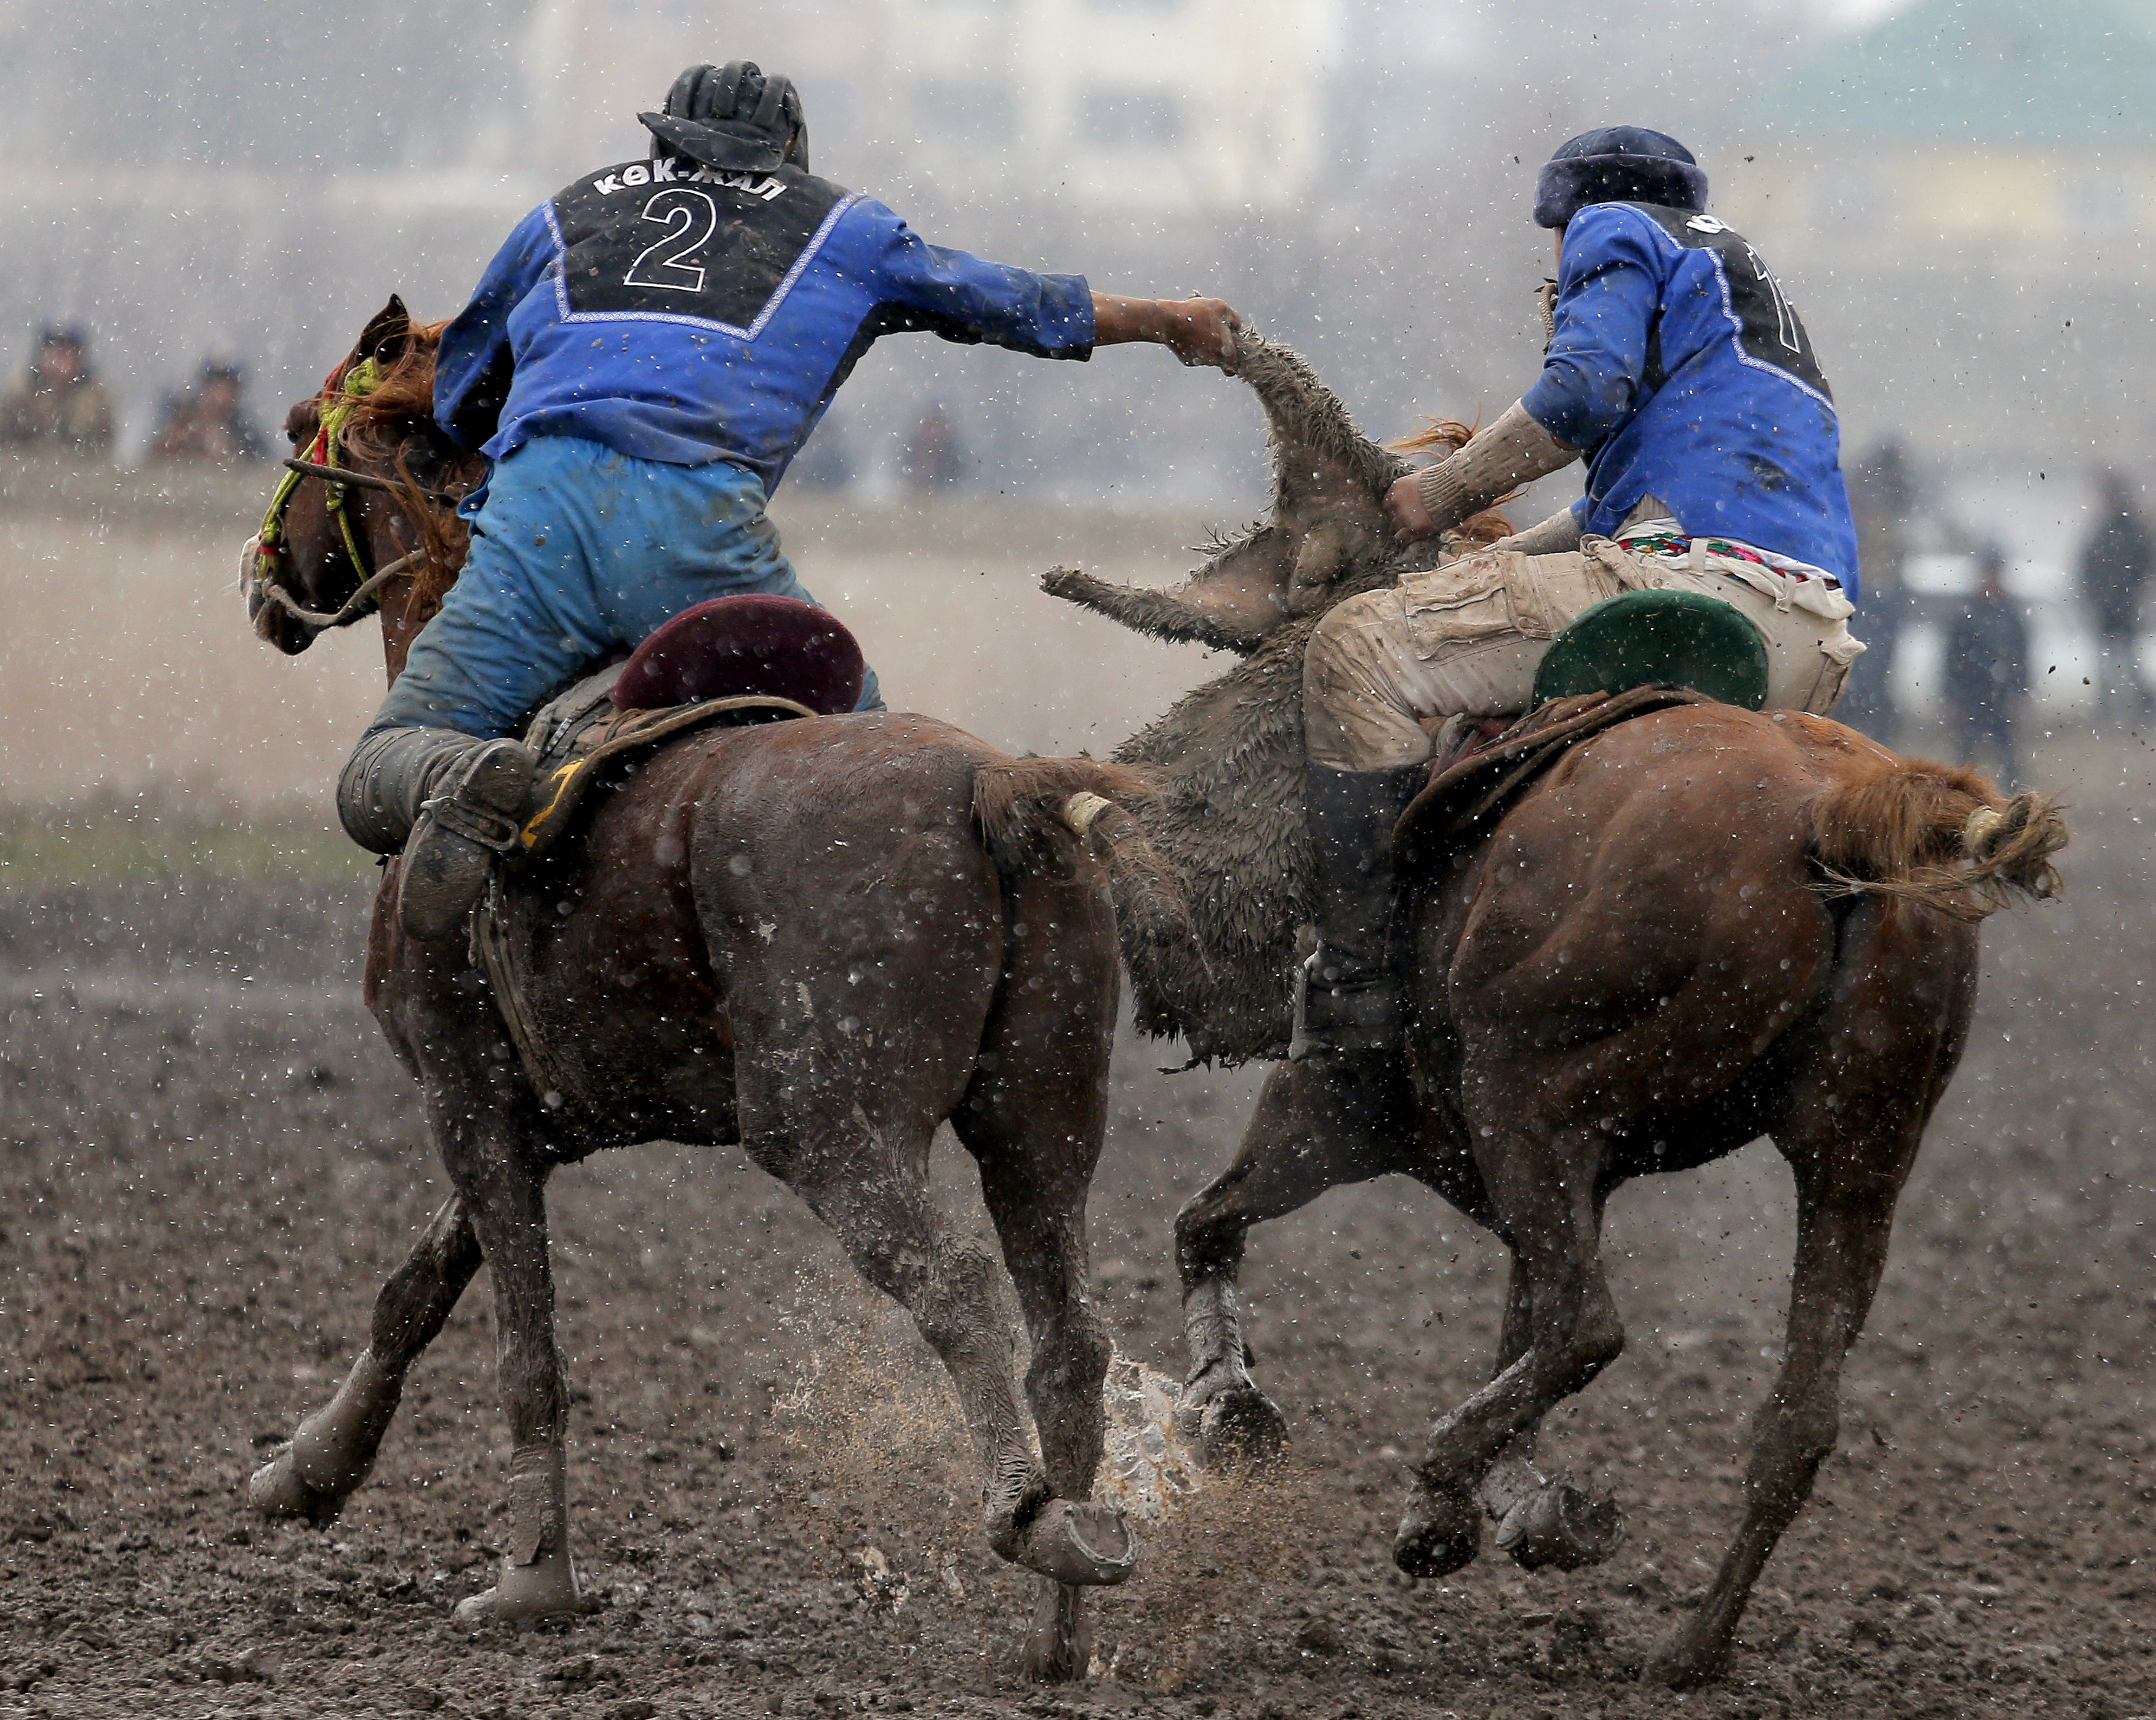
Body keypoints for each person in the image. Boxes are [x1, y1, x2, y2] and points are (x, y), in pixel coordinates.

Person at [337, 60, 1241, 936]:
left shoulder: (562, 211)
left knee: (381, 757)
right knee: (888, 772)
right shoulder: (844, 226)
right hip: (694, 535)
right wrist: (1168, 320)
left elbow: (461, 396)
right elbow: (1009, 301)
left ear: (664, 137)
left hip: (538, 520)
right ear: (789, 148)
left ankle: (469, 774)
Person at [1294, 126, 1865, 1062]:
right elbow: (1615, 519)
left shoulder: (1612, 225)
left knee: (1355, 647)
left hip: (1690, 588)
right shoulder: (1739, 303)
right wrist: (1478, 564)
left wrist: (1431, 496)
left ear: (1568, 222)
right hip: (1813, 643)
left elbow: (1581, 391)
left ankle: (1360, 988)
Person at [1836, 435, 1917, 742]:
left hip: (1875, 601)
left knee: (1873, 684)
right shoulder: (1873, 514)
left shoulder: (1886, 517)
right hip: (1866, 601)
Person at [1943, 541, 2030, 787]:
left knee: (2009, 755)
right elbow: (1951, 660)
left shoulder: (2011, 615)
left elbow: (2022, 658)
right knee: (1965, 758)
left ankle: (2014, 798)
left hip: (2002, 696)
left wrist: (2021, 694)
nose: (1991, 580)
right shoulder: (1966, 614)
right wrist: (1950, 698)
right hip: (1970, 694)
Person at [2077, 469, 2152, 725]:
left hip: (2119, 606)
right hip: (2114, 606)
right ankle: (2119, 710)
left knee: (2123, 661)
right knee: (2116, 661)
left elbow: (2141, 565)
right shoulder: (2114, 530)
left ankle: (2124, 710)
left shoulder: (2120, 530)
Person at [0, 325, 115, 457]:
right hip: (24, 465)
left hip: (77, 468)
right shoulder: (20, 393)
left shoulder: (96, 399)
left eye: (66, 356)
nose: (59, 363)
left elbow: (103, 446)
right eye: (54, 355)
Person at [151, 359, 268, 463]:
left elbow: (256, 466)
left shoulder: (244, 432)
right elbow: (155, 459)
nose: (220, 396)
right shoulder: (183, 419)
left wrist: (228, 454)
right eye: (215, 387)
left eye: (226, 389)